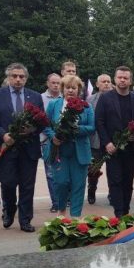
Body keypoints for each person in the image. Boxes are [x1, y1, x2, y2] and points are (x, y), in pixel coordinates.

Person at [0, 62, 44, 233]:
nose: (18, 79)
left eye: (22, 76)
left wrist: (32, 129)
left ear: (26, 78)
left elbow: (42, 121)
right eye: (14, 76)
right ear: (8, 77)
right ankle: (9, 210)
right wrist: (3, 135)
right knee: (8, 183)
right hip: (7, 147)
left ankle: (25, 219)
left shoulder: (35, 96)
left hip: (29, 148)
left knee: (27, 186)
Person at [44, 75, 95, 218]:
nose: (70, 90)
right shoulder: (54, 105)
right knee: (61, 183)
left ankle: (75, 216)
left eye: (74, 88)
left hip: (79, 152)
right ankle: (61, 209)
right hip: (59, 151)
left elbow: (91, 128)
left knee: (78, 185)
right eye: (67, 87)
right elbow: (45, 124)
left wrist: (74, 129)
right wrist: (53, 136)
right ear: (62, 89)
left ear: (79, 90)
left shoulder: (86, 106)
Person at [95, 66, 134, 218]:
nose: (122, 80)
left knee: (128, 181)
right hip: (112, 148)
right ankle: (118, 213)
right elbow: (99, 122)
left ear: (130, 80)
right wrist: (107, 142)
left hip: (130, 148)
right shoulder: (105, 98)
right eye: (120, 77)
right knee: (115, 180)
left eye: (126, 78)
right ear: (115, 79)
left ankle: (126, 211)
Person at [86, 73, 112, 204]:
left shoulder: (116, 97)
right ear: (97, 84)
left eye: (108, 81)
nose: (106, 83)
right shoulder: (90, 100)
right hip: (95, 141)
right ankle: (91, 190)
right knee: (94, 169)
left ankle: (112, 193)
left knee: (113, 170)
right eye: (103, 81)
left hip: (113, 141)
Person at [40, 73, 62, 211]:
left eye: (58, 83)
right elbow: (41, 121)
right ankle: (56, 202)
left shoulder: (65, 98)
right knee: (51, 173)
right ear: (47, 83)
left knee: (64, 171)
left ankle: (65, 199)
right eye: (53, 82)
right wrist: (51, 135)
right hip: (47, 141)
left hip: (63, 141)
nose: (55, 85)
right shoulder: (40, 98)